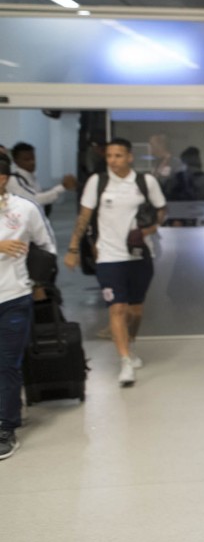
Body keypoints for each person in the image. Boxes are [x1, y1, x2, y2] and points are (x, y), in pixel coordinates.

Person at [63, 138, 167, 388]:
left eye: (118, 155)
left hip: (140, 254)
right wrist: (73, 248)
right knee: (117, 308)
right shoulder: (97, 183)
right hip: (109, 256)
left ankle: (129, 346)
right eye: (109, 156)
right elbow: (84, 217)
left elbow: (162, 211)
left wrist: (147, 230)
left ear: (129, 157)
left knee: (135, 310)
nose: (113, 160)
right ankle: (125, 362)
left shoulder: (145, 182)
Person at [0, 157, 57, 460]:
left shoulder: (24, 209)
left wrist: (37, 282)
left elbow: (46, 246)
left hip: (13, 298)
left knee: (7, 364)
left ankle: (6, 426)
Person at [7, 142, 78, 216]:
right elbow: (35, 199)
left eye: (33, 158)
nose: (32, 162)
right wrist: (63, 187)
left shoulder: (30, 176)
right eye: (26, 160)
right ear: (16, 161)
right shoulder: (14, 180)